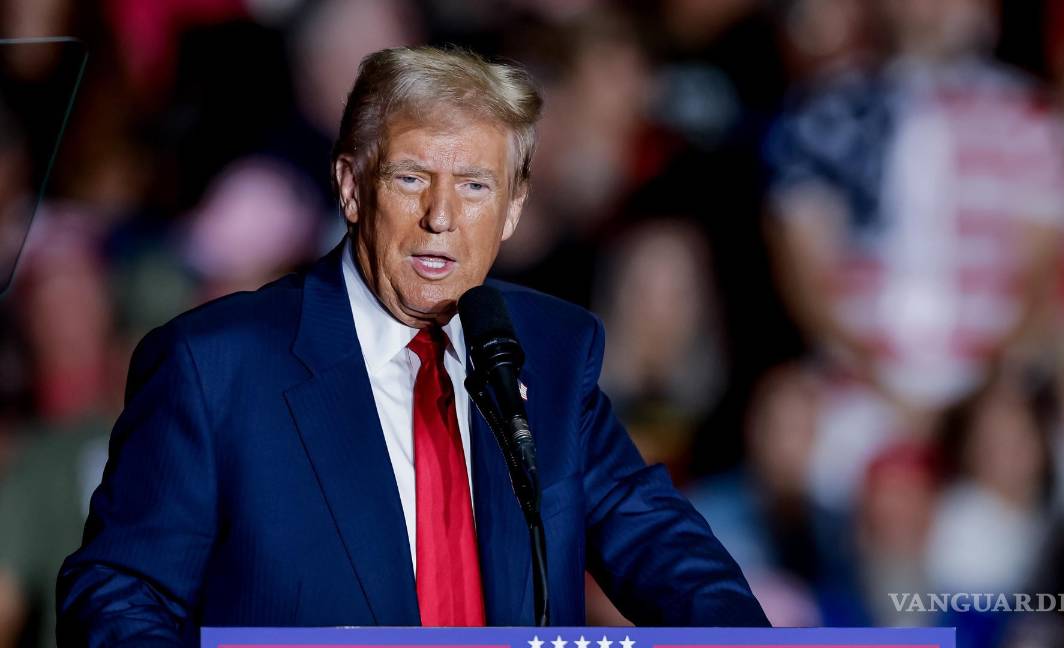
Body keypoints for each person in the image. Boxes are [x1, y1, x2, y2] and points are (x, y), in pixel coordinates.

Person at [55, 46, 768, 644]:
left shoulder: (549, 349)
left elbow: (663, 548)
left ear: (515, 207)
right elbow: (117, 593)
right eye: (411, 178)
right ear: (351, 185)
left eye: (475, 185)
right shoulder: (217, 366)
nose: (441, 217)